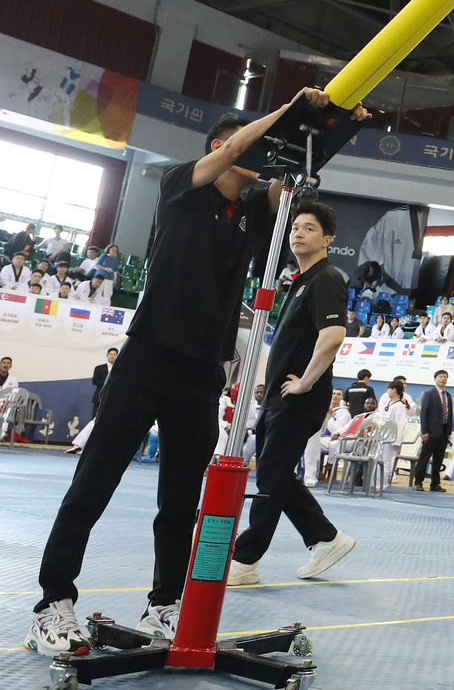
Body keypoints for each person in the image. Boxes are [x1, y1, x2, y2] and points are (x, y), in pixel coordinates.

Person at [25, 89, 360, 658]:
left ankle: (164, 604)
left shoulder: (255, 215)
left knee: (181, 501)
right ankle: (52, 603)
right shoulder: (182, 186)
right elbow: (253, 143)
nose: (261, 158)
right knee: (94, 484)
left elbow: (300, 169)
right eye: (249, 145)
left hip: (203, 373)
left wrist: (339, 122)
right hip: (148, 358)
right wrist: (287, 111)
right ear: (220, 147)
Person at [225, 202, 356, 587]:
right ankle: (325, 538)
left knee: (271, 476)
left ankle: (246, 560)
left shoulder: (327, 277)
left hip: (298, 398)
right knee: (276, 474)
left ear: (327, 240)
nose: (298, 233)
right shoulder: (300, 280)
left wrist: (306, 382)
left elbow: (332, 336)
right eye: (294, 227)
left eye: (309, 228)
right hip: (279, 399)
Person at [413, 370, 453, 492]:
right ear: (435, 379)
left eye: (445, 377)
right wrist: (424, 431)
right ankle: (418, 482)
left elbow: (449, 415)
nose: (443, 379)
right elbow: (424, 414)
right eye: (440, 377)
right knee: (424, 458)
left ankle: (435, 483)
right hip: (430, 432)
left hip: (443, 433)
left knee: (438, 459)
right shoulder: (429, 394)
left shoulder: (448, 395)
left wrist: (448, 432)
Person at [90, 347, 117, 421]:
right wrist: (109, 382)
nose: (112, 356)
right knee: (95, 419)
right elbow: (95, 381)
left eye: (114, 354)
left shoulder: (120, 369)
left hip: (114, 398)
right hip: (99, 397)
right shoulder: (99, 368)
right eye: (110, 354)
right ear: (107, 355)